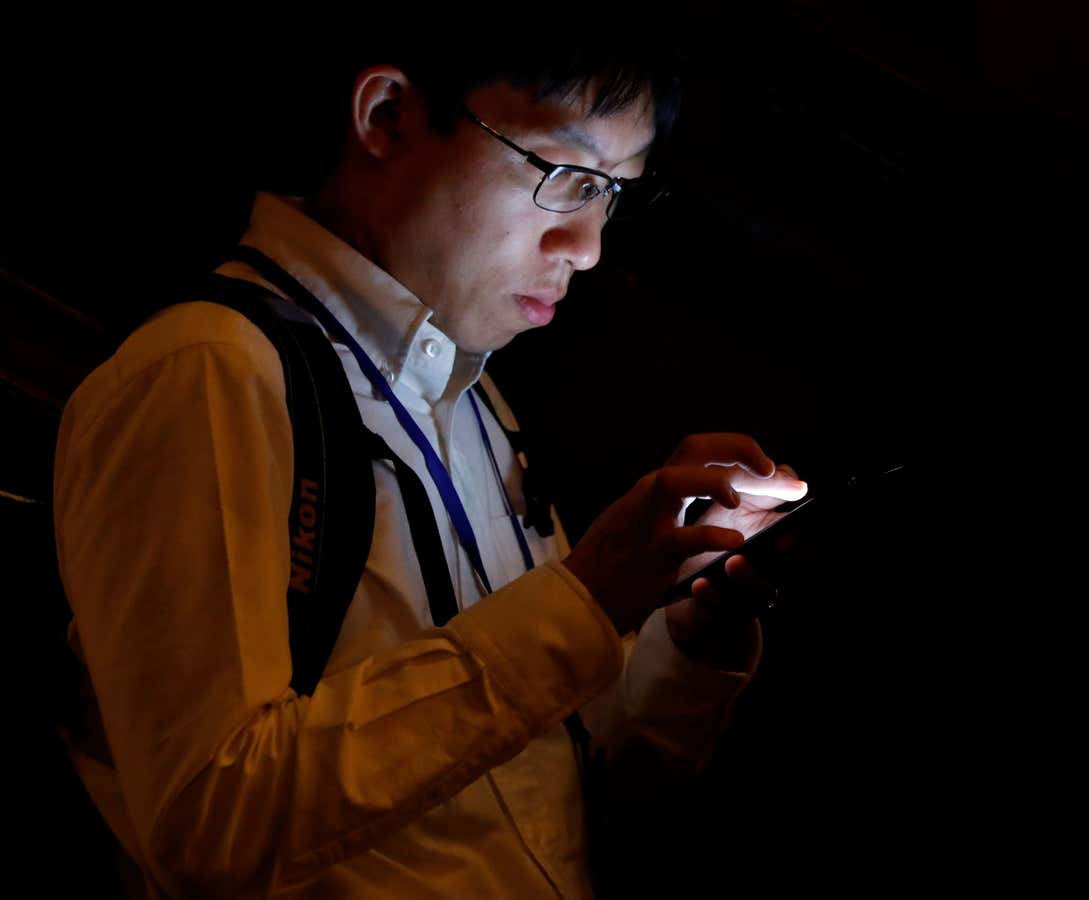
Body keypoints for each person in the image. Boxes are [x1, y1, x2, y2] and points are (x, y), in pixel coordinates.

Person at [52, 22, 808, 899]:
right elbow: (209, 821)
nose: (589, 246)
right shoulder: (209, 370)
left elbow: (553, 771)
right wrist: (587, 596)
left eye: (613, 195)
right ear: (388, 116)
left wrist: (687, 628)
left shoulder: (474, 403)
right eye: (565, 176)